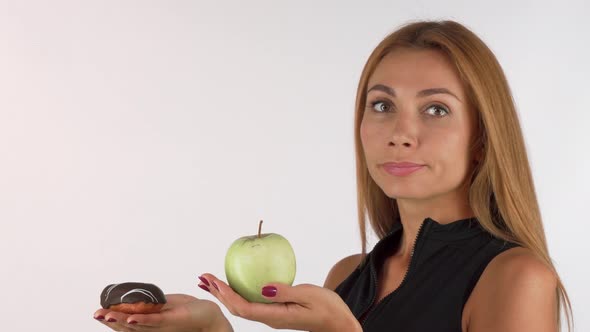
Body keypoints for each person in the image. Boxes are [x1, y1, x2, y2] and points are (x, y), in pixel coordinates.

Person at [93, 19, 573, 332]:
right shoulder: (348, 275)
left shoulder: (516, 278)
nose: (400, 133)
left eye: (435, 109)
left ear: (483, 135)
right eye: (382, 105)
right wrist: (213, 328)